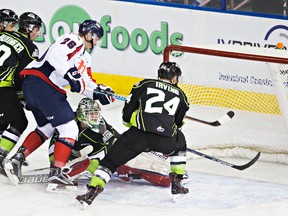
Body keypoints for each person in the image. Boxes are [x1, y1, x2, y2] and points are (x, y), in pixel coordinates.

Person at [3, 19, 115, 186]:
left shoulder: (85, 57)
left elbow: (84, 82)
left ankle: (16, 160)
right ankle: (57, 172)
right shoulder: (74, 39)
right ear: (90, 34)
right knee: (69, 127)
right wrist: (70, 73)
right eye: (97, 37)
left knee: (47, 127)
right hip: (43, 84)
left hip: (35, 87)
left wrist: (99, 92)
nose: (97, 42)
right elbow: (56, 55)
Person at [76, 61, 190, 208]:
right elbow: (178, 125)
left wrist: (134, 124)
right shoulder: (182, 96)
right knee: (180, 140)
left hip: (137, 137)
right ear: (174, 78)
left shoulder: (143, 84)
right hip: (165, 141)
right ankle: (177, 181)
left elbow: (126, 115)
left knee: (109, 162)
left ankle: (92, 191)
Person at [48, 98, 171, 191]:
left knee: (119, 158)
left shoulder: (100, 124)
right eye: (91, 113)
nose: (95, 116)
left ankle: (153, 173)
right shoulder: (69, 124)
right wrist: (55, 163)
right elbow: (54, 143)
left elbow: (115, 140)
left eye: (96, 113)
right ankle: (65, 174)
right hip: (70, 157)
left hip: (97, 156)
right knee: (96, 159)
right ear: (81, 115)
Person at [0, 12, 42, 176]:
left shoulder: (3, 34)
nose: (38, 34)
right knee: (19, 121)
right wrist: (24, 98)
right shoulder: (30, 48)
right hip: (3, 86)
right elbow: (20, 76)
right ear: (29, 28)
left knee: (4, 119)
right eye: (37, 29)